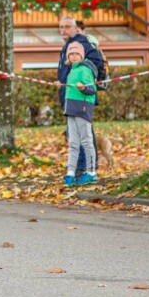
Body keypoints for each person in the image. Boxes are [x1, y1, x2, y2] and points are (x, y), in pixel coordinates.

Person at [57, 15, 102, 179]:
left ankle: (85, 168)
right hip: (70, 97)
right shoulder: (67, 45)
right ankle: (81, 166)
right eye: (61, 27)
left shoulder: (81, 42)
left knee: (84, 135)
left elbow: (97, 62)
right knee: (76, 135)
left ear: (76, 28)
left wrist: (83, 78)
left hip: (81, 97)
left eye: (67, 26)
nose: (63, 30)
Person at [61, 42, 98, 186]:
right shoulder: (71, 71)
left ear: (82, 56)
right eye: (71, 54)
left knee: (86, 141)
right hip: (71, 110)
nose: (74, 56)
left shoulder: (85, 69)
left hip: (82, 110)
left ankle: (91, 172)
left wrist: (83, 88)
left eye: (77, 54)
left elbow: (92, 90)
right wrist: (60, 85)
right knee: (73, 143)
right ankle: (70, 173)